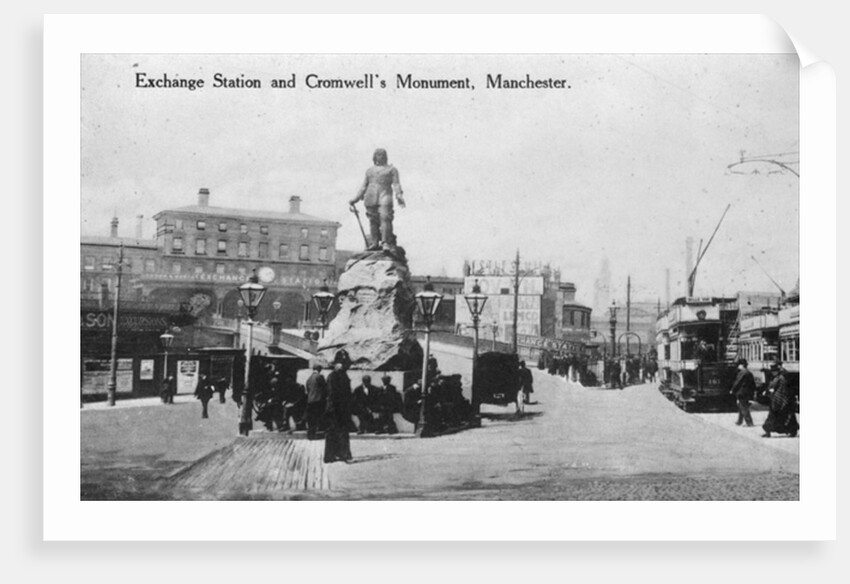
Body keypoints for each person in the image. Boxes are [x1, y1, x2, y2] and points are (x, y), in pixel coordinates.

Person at [349, 148, 405, 251]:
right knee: (373, 220)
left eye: (383, 154)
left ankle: (385, 242)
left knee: (385, 218)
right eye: (378, 154)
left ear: (386, 156)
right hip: (371, 196)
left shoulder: (392, 169)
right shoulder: (369, 171)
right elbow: (363, 186)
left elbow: (396, 184)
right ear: (374, 157)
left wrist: (399, 195)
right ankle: (374, 242)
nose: (380, 156)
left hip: (385, 195)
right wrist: (355, 199)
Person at [324, 352, 353, 463]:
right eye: (343, 364)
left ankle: (339, 454)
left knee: (338, 431)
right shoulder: (334, 376)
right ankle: (337, 455)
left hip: (340, 408)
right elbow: (331, 394)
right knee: (336, 431)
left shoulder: (341, 375)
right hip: (336, 408)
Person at [762, 361, 799, 438]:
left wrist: (769, 392)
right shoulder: (780, 376)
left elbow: (778, 388)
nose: (772, 373)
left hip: (781, 399)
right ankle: (792, 430)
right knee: (783, 416)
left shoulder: (781, 377)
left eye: (773, 371)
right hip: (781, 399)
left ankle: (792, 430)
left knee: (777, 416)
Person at [730, 357, 756, 427]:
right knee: (741, 406)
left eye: (738, 365)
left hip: (742, 392)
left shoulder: (743, 372)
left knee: (743, 407)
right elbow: (753, 384)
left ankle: (749, 422)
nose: (738, 366)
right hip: (747, 392)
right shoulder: (748, 372)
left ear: (742, 365)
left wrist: (732, 389)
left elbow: (737, 382)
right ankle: (739, 421)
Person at [304, 364, 327, 440]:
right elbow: (325, 388)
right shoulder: (320, 377)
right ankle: (322, 432)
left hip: (310, 401)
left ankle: (310, 435)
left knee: (311, 419)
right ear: (319, 369)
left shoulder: (309, 378)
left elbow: (308, 390)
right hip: (318, 400)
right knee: (320, 417)